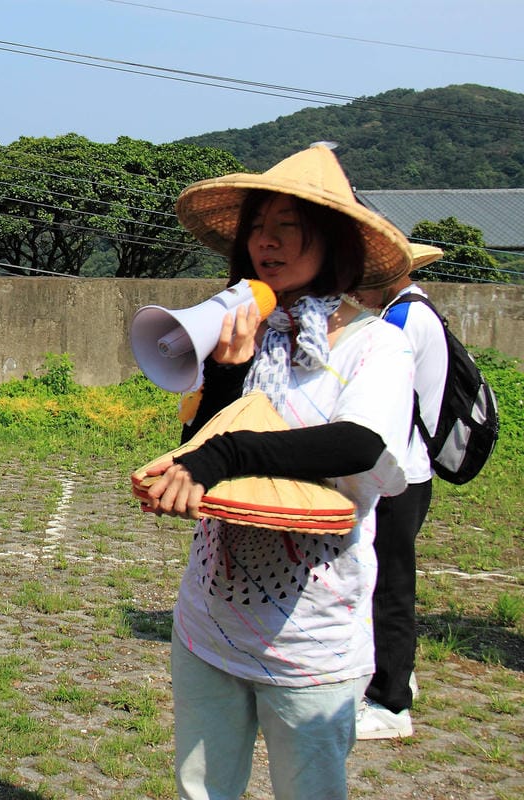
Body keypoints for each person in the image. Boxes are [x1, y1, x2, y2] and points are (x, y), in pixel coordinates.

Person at [140, 143, 416, 800]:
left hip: (313, 642)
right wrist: (227, 373)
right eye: (259, 226)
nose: (268, 241)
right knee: (201, 790)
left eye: (289, 226)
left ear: (335, 241)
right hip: (209, 626)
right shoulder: (240, 330)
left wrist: (226, 454)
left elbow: (359, 443)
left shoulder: (378, 342)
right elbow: (194, 448)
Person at [351, 243, 448, 740]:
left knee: (388, 586)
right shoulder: (414, 309)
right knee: (384, 580)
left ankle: (390, 704)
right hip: (408, 470)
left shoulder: (404, 319)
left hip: (397, 474)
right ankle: (396, 672)